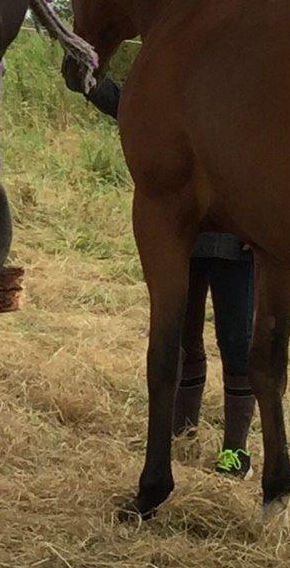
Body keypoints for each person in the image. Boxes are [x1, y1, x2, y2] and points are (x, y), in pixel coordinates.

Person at [81, 73, 256, 478]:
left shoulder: (249, 91)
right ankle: (181, 434)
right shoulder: (180, 84)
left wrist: (261, 223)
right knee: (184, 339)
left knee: (237, 343)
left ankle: (235, 451)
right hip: (184, 239)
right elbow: (136, 109)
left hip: (236, 241)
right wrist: (93, 84)